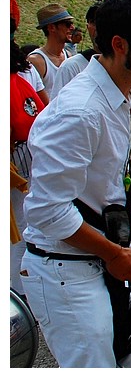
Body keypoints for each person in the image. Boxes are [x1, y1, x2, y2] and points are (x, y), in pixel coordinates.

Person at [20, 0, 131, 367]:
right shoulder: (80, 112)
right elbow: (47, 212)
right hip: (67, 270)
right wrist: (115, 254)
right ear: (120, 44)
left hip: (95, 258)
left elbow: (106, 174)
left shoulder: (125, 91)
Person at [10, 24, 46, 295]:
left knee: (21, 225)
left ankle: (20, 292)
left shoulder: (24, 74)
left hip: (20, 155)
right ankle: (20, 292)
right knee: (21, 225)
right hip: (22, 152)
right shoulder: (23, 73)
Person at [28, 3, 75, 98]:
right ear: (51, 28)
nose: (72, 28)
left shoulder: (69, 56)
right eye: (67, 24)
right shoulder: (36, 61)